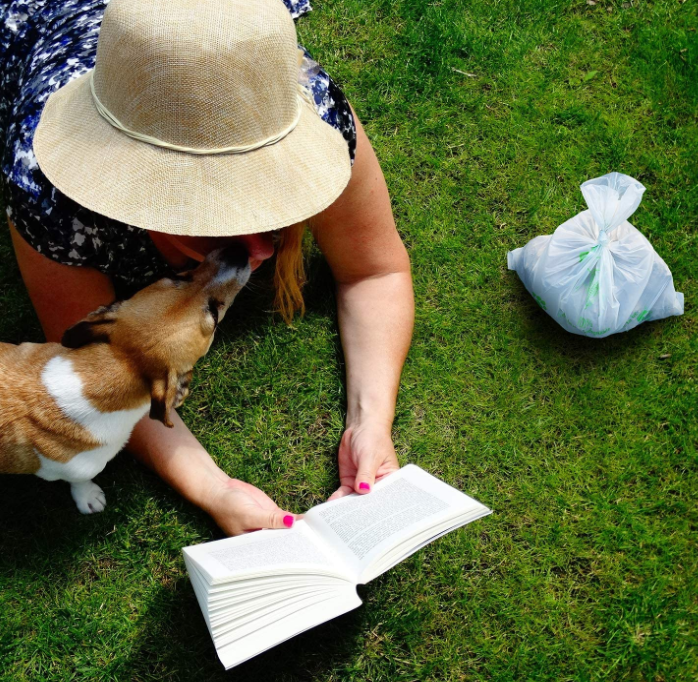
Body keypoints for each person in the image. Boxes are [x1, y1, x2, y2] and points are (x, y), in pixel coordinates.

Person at [0, 0, 414, 536]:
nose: (260, 250)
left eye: (266, 192)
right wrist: (212, 487)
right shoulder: (48, 191)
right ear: (135, 190)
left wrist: (371, 422)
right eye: (212, 213)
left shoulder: (314, 114)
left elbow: (375, 272)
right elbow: (99, 365)